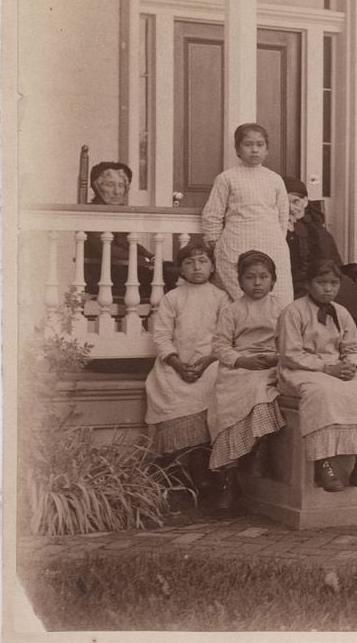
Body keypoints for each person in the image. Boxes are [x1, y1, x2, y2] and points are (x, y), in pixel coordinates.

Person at [277, 259, 357, 493]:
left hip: (336, 369)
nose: (328, 288)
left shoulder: (341, 313)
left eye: (333, 283)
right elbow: (290, 354)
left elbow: (353, 349)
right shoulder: (294, 312)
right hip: (300, 370)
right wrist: (326, 368)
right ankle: (323, 463)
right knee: (322, 393)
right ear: (308, 284)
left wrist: (350, 366)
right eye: (321, 282)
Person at [144, 243, 230, 494]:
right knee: (167, 389)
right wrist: (177, 363)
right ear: (181, 268)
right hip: (176, 364)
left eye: (203, 261)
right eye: (190, 263)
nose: (197, 267)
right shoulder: (173, 298)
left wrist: (207, 361)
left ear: (212, 266)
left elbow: (225, 337)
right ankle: (168, 466)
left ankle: (200, 467)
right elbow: (161, 336)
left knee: (212, 391)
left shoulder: (220, 297)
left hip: (209, 363)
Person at [208, 251, 287, 510]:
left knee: (262, 390)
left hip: (271, 364)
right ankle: (228, 479)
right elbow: (220, 345)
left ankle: (258, 449)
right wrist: (241, 361)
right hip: (239, 366)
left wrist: (277, 357)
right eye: (250, 277)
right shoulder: (233, 310)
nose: (257, 283)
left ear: (273, 281)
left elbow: (291, 342)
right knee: (229, 401)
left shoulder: (281, 309)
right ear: (240, 281)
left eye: (264, 277)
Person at [201, 123, 293, 307]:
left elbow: (283, 216)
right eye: (248, 144)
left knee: (278, 298)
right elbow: (212, 214)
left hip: (271, 243)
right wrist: (214, 241)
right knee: (241, 294)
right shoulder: (227, 178)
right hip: (237, 243)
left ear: (267, 149)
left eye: (260, 145)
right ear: (237, 149)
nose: (254, 150)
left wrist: (276, 238)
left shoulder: (274, 179)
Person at [283, 176, 357, 328]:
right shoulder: (276, 231)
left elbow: (332, 261)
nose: (291, 208)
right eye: (286, 203)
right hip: (295, 284)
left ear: (305, 201)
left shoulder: (316, 230)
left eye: (296, 202)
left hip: (324, 277)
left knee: (349, 295)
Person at [83, 161, 157, 302]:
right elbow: (104, 248)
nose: (117, 192)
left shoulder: (119, 212)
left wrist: (149, 256)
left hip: (123, 270)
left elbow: (128, 243)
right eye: (110, 185)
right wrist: (141, 259)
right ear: (97, 187)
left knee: (170, 271)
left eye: (121, 185)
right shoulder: (91, 213)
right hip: (103, 275)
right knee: (164, 278)